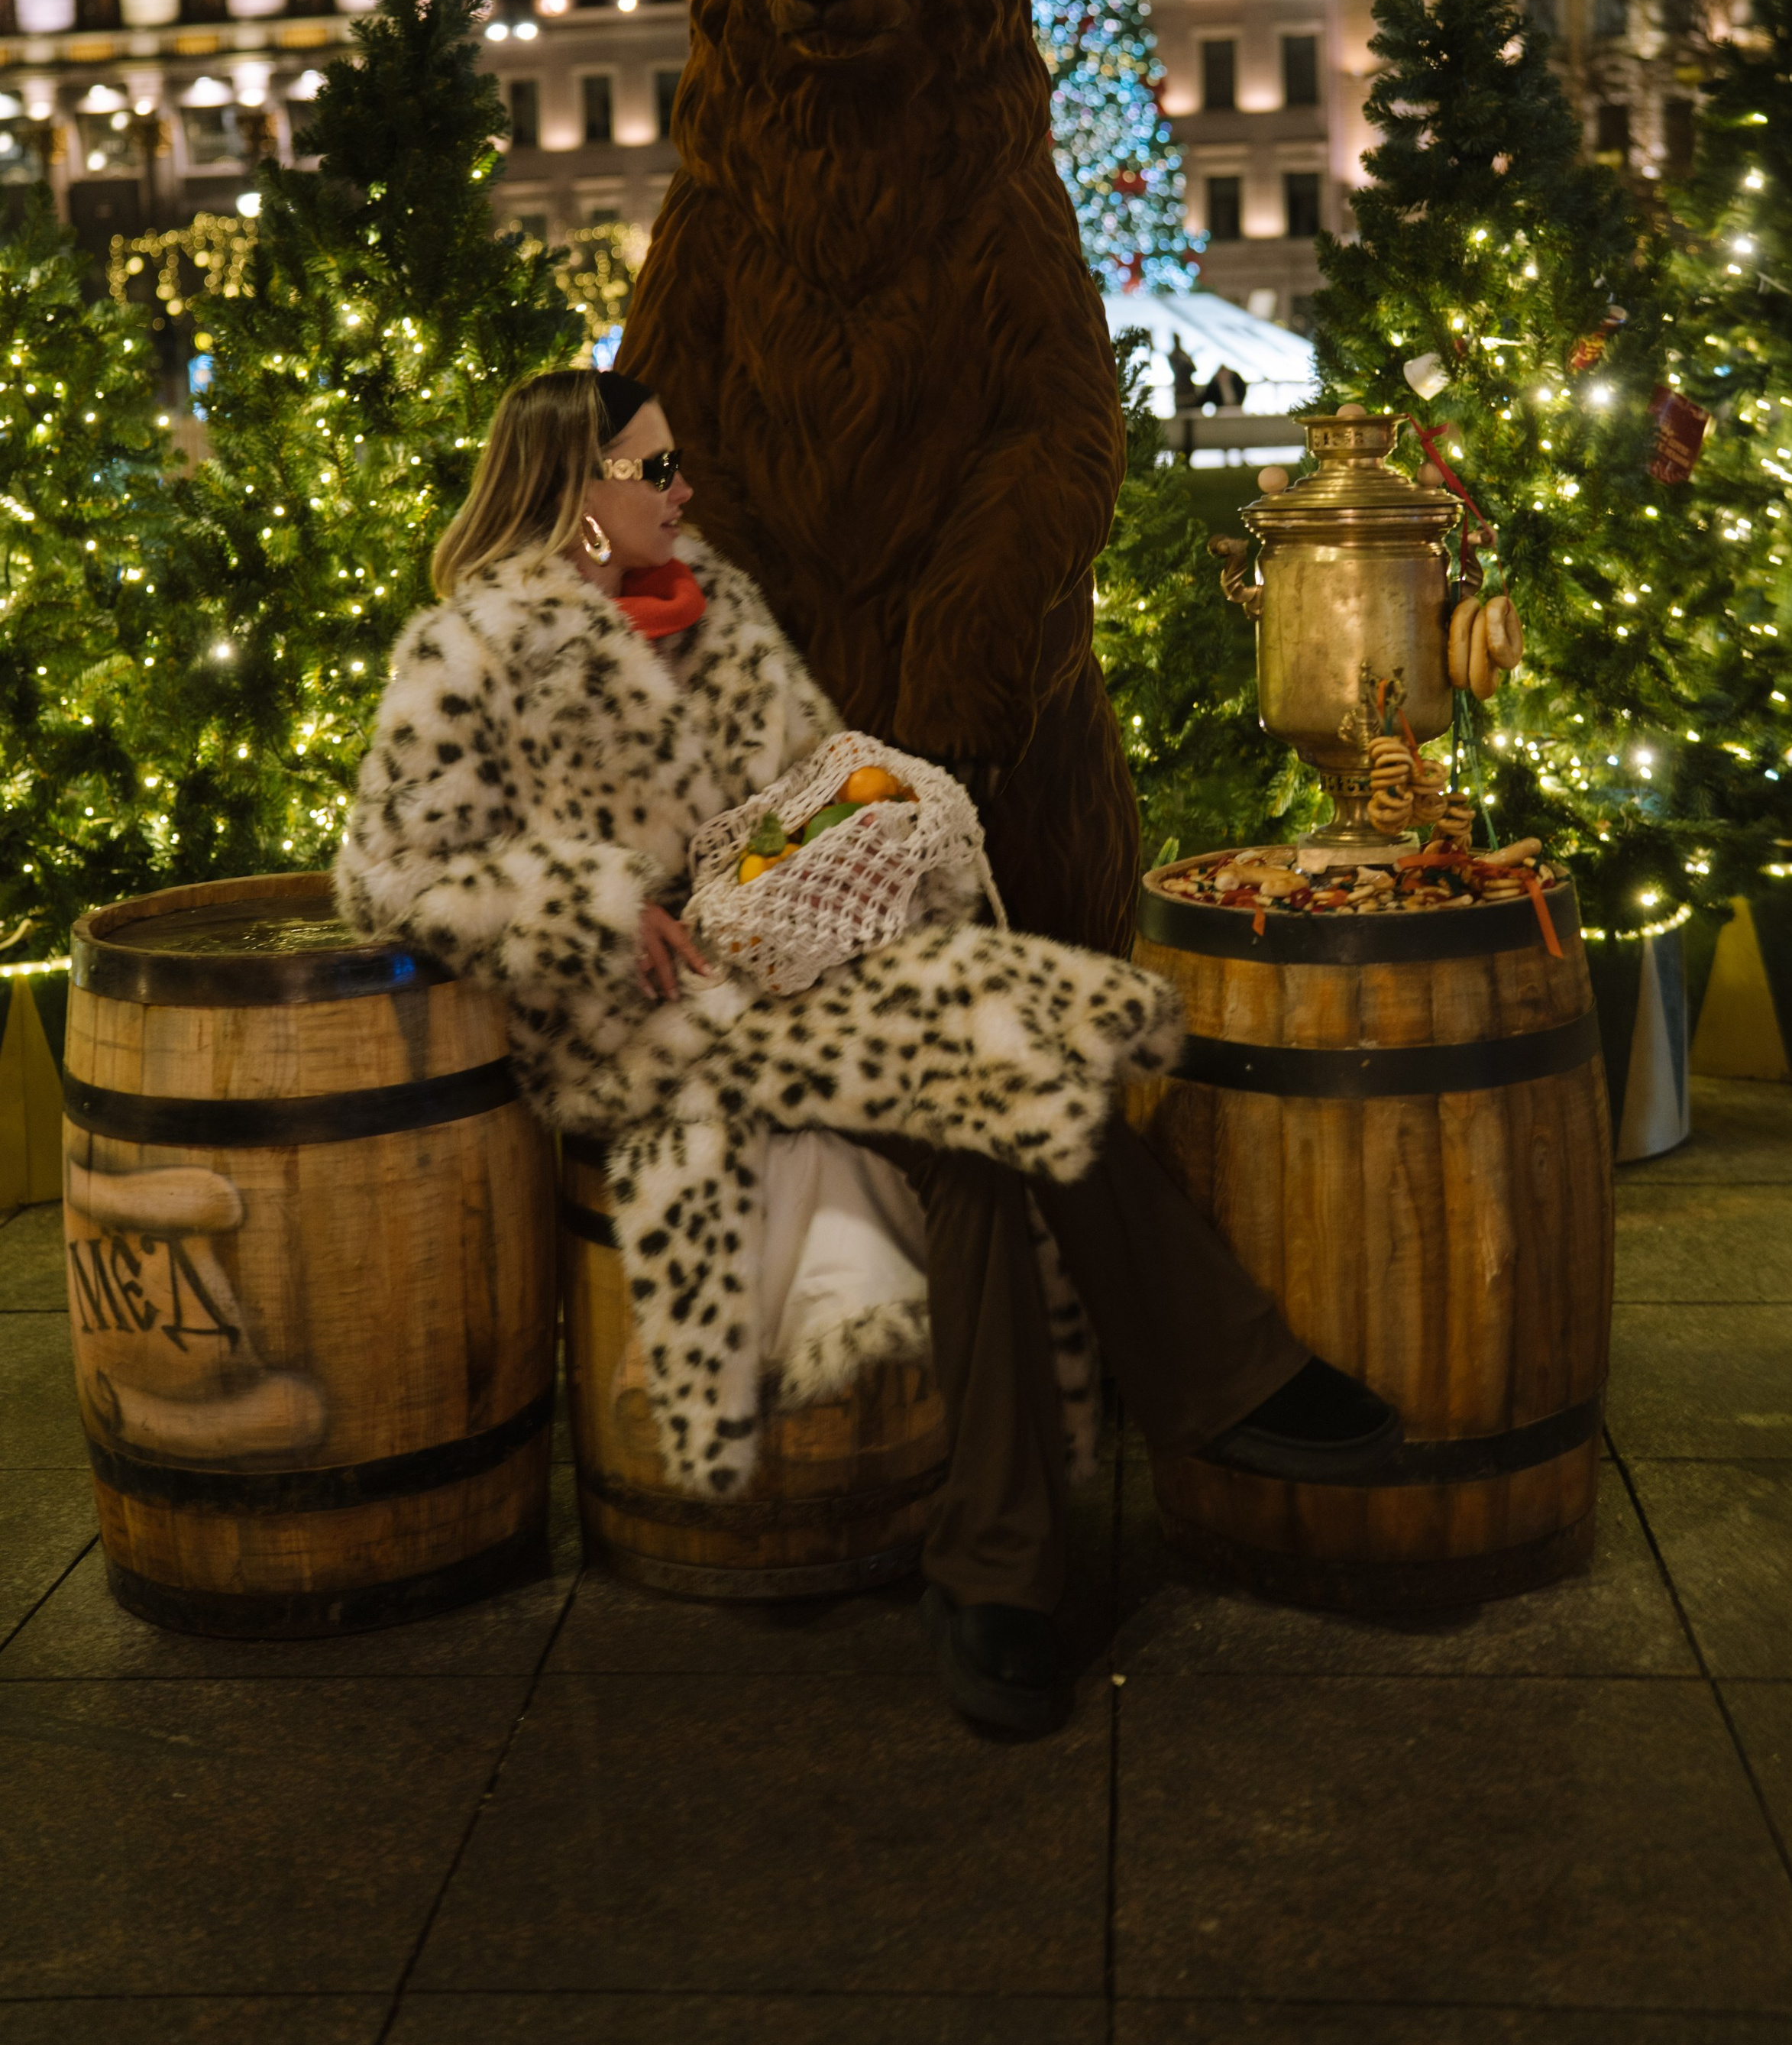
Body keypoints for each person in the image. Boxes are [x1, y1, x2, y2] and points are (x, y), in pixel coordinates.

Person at [337, 368, 1399, 1735]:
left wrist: (869, 813)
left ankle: (1006, 1571)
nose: (684, 493)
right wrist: (601, 909)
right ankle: (1209, 1394)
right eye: (654, 472)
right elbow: (390, 878)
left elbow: (803, 776)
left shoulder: (705, 611)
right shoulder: (464, 651)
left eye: (678, 467)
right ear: (575, 490)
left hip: (784, 959)